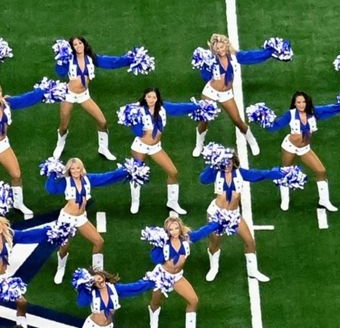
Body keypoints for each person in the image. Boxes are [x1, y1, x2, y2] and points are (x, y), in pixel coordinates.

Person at [198, 148, 304, 283]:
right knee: (215, 242)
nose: (227, 165)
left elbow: (262, 174)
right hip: (217, 215)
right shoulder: (216, 173)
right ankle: (214, 268)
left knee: (250, 242)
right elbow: (203, 179)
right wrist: (212, 165)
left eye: (229, 162)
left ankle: (253, 271)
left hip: (234, 215)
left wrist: (283, 173)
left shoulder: (241, 173)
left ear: (234, 162)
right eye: (223, 163)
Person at [41, 156, 147, 282]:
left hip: (80, 218)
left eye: (78, 168)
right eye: (72, 169)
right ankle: (61, 268)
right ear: (69, 170)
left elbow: (107, 177)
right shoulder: (66, 182)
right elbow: (51, 189)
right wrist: (52, 173)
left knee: (99, 242)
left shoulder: (88, 179)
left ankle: (97, 272)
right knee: (64, 246)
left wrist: (126, 170)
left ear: (82, 168)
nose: (75, 171)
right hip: (66, 219)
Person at [117, 87, 220, 215]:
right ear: (144, 97)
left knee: (173, 172)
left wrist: (198, 106)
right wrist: (137, 127)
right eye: (149, 97)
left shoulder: (162, 108)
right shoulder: (137, 110)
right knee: (136, 174)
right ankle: (135, 201)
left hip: (156, 147)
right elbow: (137, 131)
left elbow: (180, 108)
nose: (151, 100)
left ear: (158, 98)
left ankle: (172, 202)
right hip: (140, 147)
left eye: (154, 97)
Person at [51, 36, 154, 161]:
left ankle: (103, 148)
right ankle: (60, 145)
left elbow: (111, 62)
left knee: (102, 122)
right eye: (75, 44)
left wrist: (129, 60)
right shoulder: (69, 59)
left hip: (84, 96)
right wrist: (61, 59)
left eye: (80, 43)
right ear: (71, 48)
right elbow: (60, 72)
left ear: (84, 44)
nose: (78, 46)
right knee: (63, 125)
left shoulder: (92, 58)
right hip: (68, 95)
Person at [189, 34, 292, 157]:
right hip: (210, 92)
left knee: (237, 120)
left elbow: (254, 56)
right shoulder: (211, 59)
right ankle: (199, 145)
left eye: (222, 47)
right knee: (203, 120)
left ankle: (252, 141)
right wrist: (206, 67)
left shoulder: (235, 57)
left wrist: (270, 52)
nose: (220, 50)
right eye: (217, 48)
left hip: (226, 94)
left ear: (226, 46)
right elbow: (205, 76)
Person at [0, 80, 62, 218]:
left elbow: (25, 99)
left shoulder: (6, 103)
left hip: (3, 144)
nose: (0, 94)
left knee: (16, 174)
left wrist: (41, 91)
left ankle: (18, 203)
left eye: (0, 91)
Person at [249, 91, 340, 212]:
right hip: (289, 147)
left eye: (304, 102)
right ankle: (285, 199)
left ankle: (324, 200)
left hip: (305, 149)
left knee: (321, 171)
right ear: (294, 104)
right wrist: (261, 118)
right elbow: (275, 127)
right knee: (286, 171)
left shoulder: (313, 112)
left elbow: (330, 109)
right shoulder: (290, 115)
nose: (301, 105)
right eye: (298, 102)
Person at [143, 217, 220, 328]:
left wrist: (217, 223)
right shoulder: (163, 242)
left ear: (180, 227)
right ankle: (154, 324)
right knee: (155, 302)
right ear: (166, 231)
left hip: (177, 277)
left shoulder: (187, 238)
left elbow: (201, 232)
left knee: (193, 300)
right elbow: (154, 258)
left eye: (176, 228)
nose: (174, 231)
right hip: (162, 276)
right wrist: (157, 244)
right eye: (170, 229)